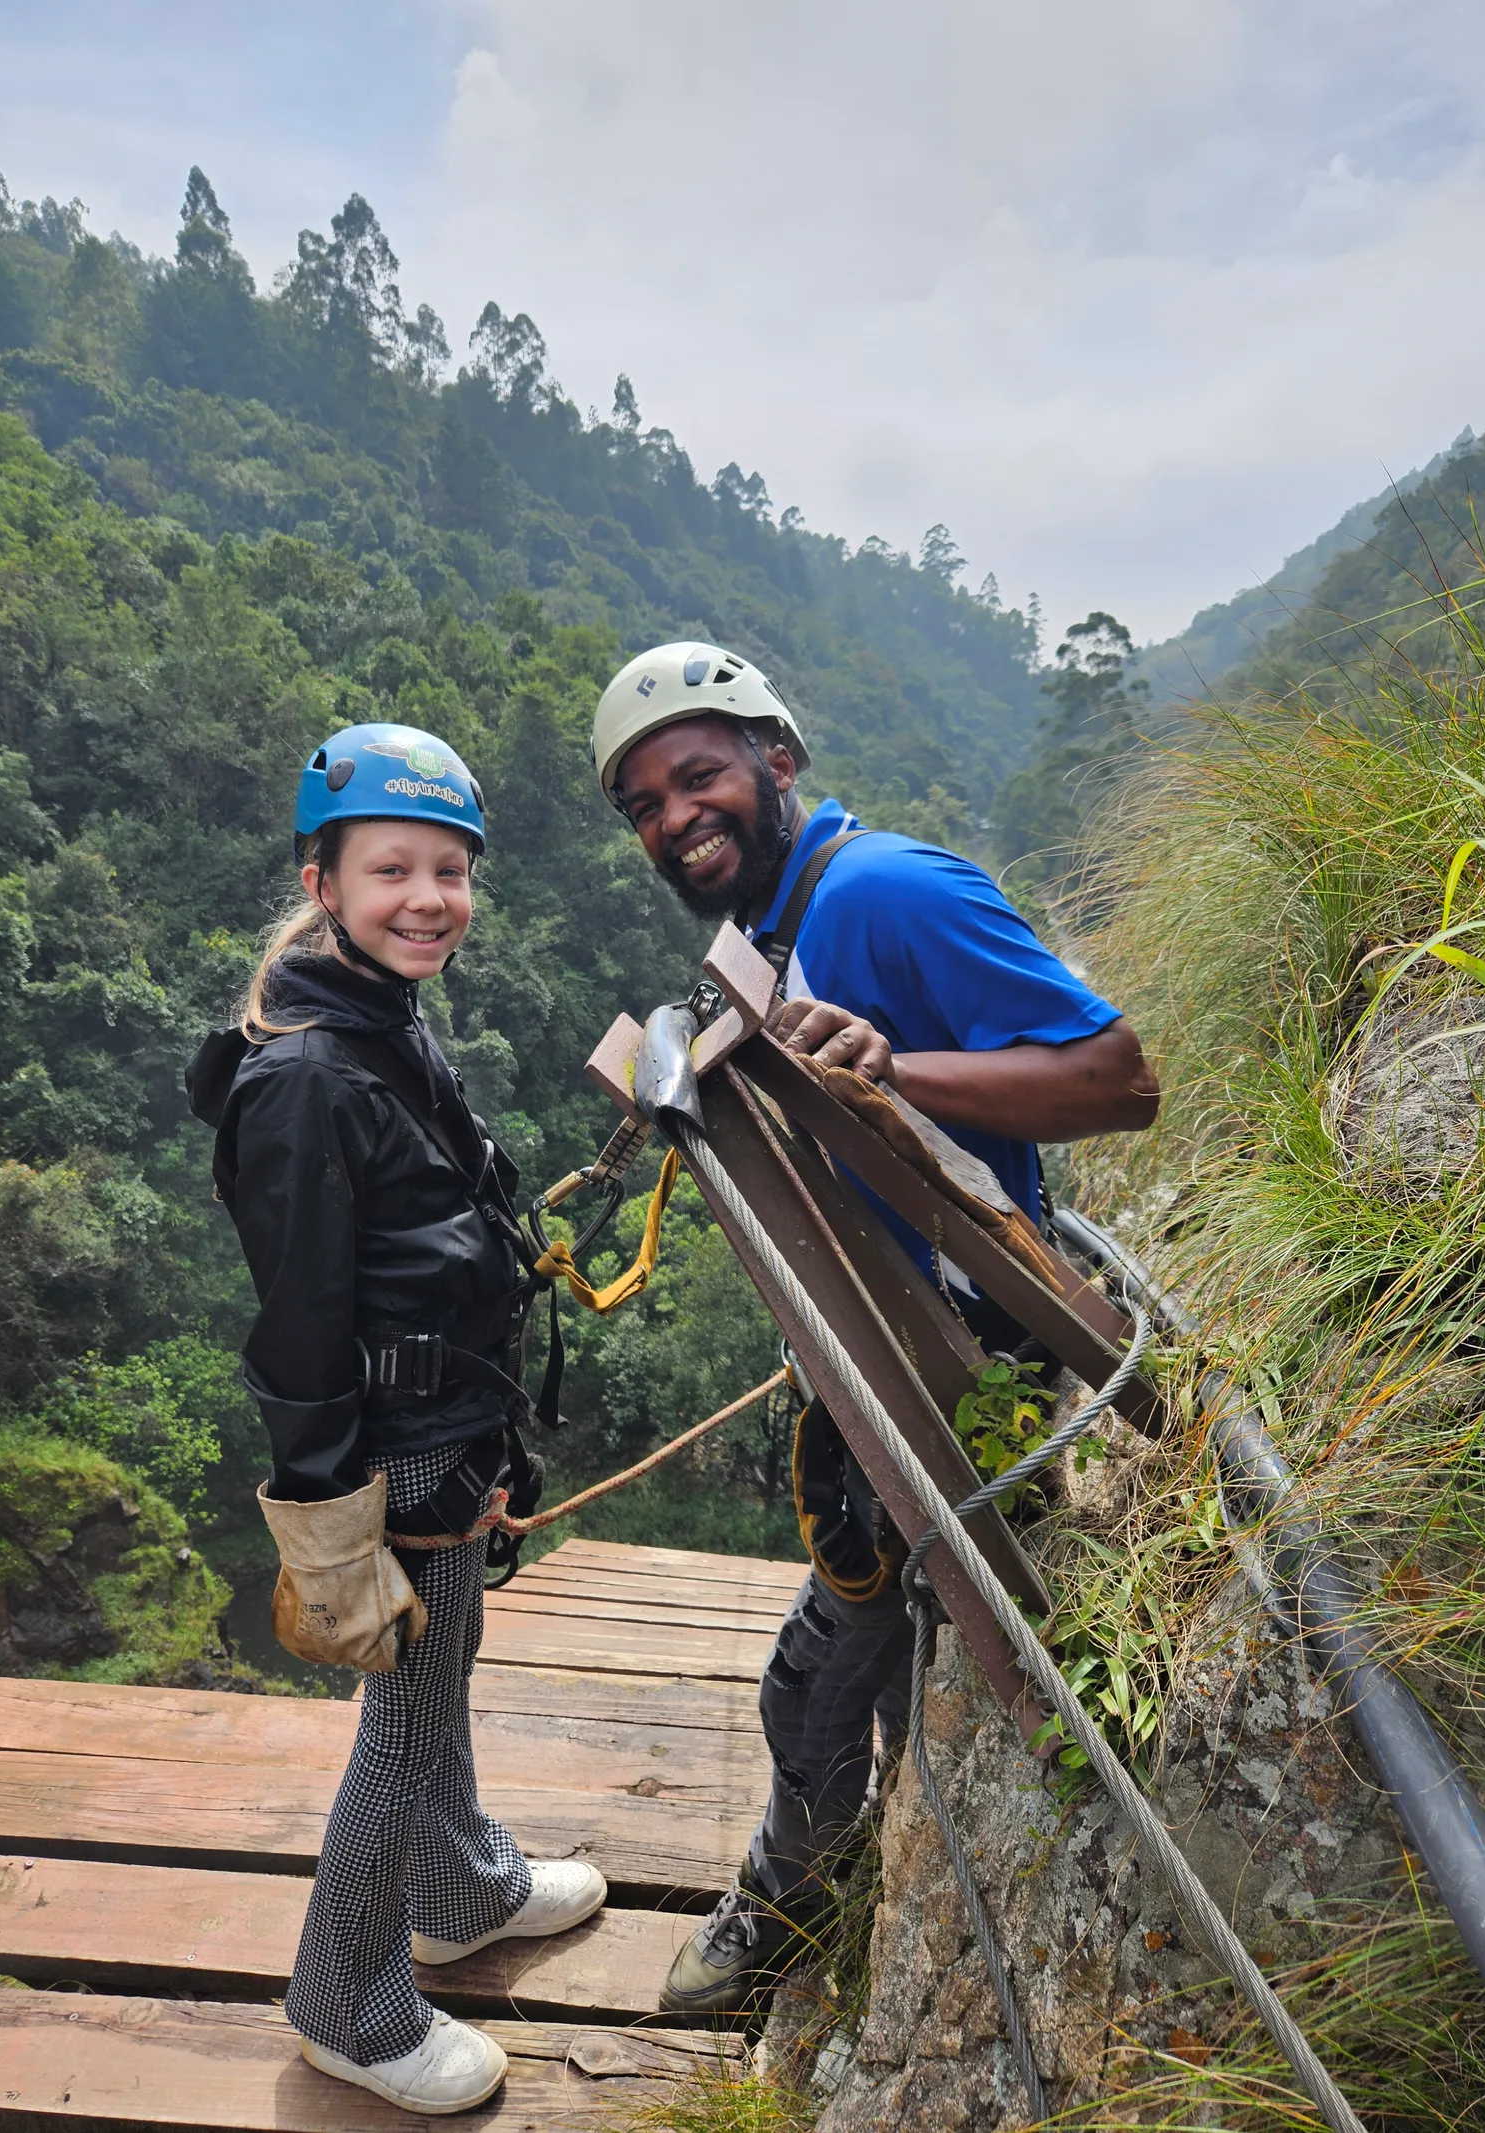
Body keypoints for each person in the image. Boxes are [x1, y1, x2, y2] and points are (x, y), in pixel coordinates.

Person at [589, 642, 1161, 2014]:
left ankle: (787, 1912)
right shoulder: (780, 930)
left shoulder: (889, 893)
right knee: (878, 1656)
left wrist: (898, 1069)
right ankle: (840, 1894)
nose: (676, 818)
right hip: (883, 1369)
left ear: (777, 760)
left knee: (813, 1689)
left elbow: (1118, 1078)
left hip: (960, 1374)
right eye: (646, 805)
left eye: (700, 776)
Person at [186, 723, 606, 2114]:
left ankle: (460, 1885)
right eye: (393, 871)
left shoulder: (381, 1026)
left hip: (447, 1423)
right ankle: (348, 2007)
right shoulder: (308, 1077)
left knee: (444, 1669)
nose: (430, 898)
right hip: (391, 1443)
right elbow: (300, 1321)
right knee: (406, 1716)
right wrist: (336, 1520)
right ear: (323, 879)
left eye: (450, 871)